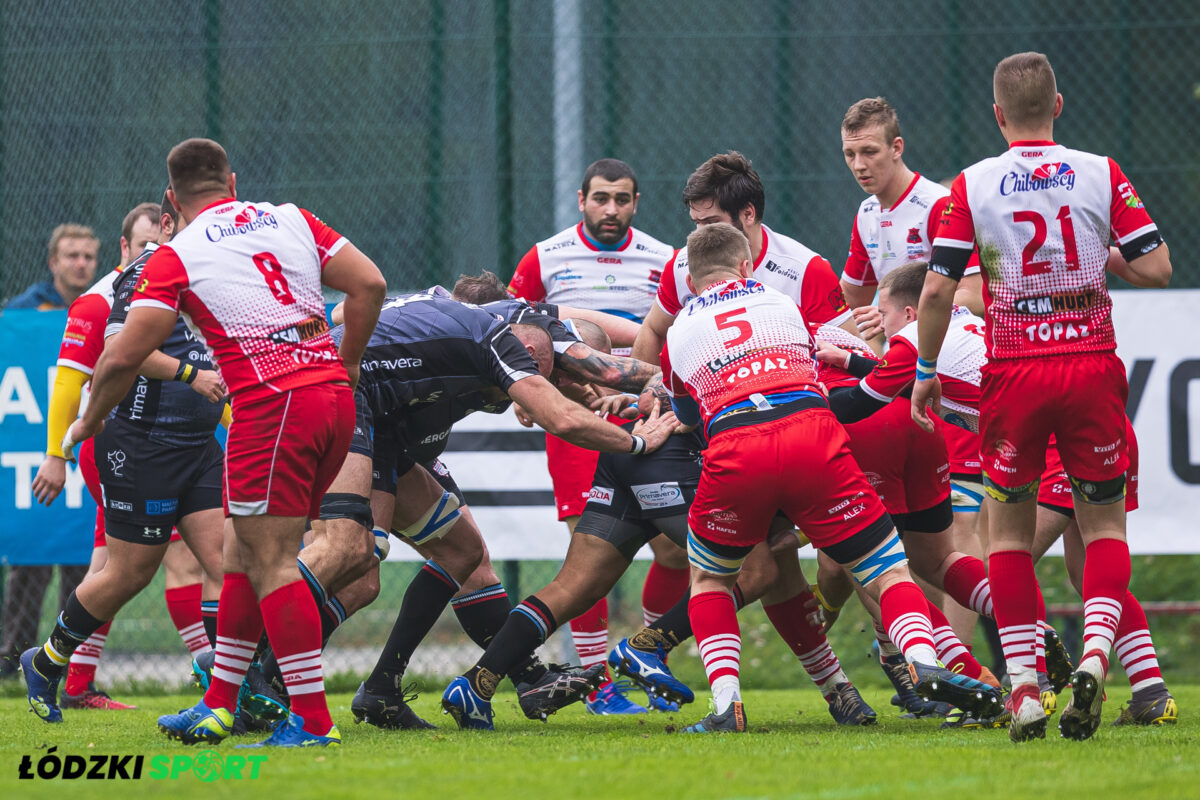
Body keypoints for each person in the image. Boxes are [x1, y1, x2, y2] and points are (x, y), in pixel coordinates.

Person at [51, 138, 388, 748]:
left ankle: (311, 721)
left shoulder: (175, 256)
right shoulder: (291, 218)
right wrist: (350, 364)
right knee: (239, 554)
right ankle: (218, 704)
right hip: (333, 402)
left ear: (171, 199)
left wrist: (89, 421)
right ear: (232, 180)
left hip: (272, 407)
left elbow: (123, 353)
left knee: (273, 562)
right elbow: (369, 284)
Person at [912, 52, 1172, 742]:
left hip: (1015, 371)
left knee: (1007, 536)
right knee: (1106, 527)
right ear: (1058, 105)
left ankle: (1024, 687)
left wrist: (925, 366)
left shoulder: (969, 184)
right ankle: (1093, 656)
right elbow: (1156, 266)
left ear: (998, 116)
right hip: (1089, 364)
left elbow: (937, 288)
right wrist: (1103, 254)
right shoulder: (1100, 170)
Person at [659, 222, 1000, 733]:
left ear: (691, 280)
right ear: (747, 265)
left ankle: (727, 705)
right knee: (889, 571)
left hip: (735, 447)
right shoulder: (782, 305)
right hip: (814, 437)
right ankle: (923, 660)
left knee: (709, 579)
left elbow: (687, 412)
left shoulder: (677, 331)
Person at [303, 289, 677, 731]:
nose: (575, 388)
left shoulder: (524, 328)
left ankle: (386, 686)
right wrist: (641, 434)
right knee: (352, 559)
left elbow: (615, 352)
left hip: (393, 431)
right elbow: (573, 407)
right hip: (355, 406)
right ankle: (256, 671)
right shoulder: (522, 340)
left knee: (460, 553)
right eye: (569, 379)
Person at [20, 196, 229, 724]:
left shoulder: (211, 269)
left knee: (231, 564)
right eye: (194, 219)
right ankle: (47, 662)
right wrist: (58, 451)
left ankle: (231, 686)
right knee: (128, 573)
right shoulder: (124, 286)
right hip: (139, 447)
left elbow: (217, 364)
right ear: (163, 227)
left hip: (197, 447)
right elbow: (111, 362)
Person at [508, 159, 683, 714]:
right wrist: (525, 393)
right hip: (577, 418)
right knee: (587, 555)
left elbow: (676, 333)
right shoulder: (546, 255)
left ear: (637, 202)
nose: (611, 209)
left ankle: (650, 660)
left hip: (647, 415)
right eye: (601, 198)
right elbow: (514, 330)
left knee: (674, 551)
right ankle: (595, 686)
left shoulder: (664, 259)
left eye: (622, 199)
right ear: (581, 198)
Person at [24, 203, 170, 709]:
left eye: (163, 242)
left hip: (166, 445)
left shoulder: (178, 289)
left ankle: (74, 679)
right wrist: (55, 455)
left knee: (112, 568)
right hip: (121, 447)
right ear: (125, 248)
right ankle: (221, 679)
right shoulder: (98, 301)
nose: (156, 252)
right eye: (145, 244)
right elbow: (68, 383)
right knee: (177, 561)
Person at [633, 150, 856, 365]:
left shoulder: (807, 270)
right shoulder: (682, 264)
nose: (700, 234)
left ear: (748, 214)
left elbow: (850, 352)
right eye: (696, 223)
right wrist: (639, 395)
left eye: (711, 223)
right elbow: (653, 330)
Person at [0, 223, 100, 679]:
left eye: (87, 256)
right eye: (72, 256)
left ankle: (66, 668)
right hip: (37, 463)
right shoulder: (23, 312)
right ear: (53, 261)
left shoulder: (105, 304)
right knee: (30, 566)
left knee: (84, 570)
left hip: (86, 459)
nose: (81, 264)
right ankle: (8, 663)